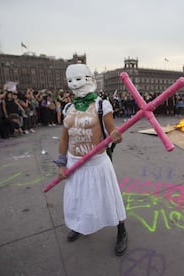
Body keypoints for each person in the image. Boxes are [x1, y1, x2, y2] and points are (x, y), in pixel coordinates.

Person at [55, 63, 128, 256]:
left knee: (109, 199)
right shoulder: (68, 108)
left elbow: (112, 130)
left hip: (97, 163)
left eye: (78, 78)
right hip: (74, 163)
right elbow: (64, 138)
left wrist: (116, 135)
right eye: (70, 80)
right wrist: (61, 163)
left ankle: (121, 230)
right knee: (78, 198)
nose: (74, 84)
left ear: (88, 78)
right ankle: (80, 226)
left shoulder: (101, 105)